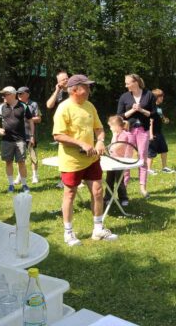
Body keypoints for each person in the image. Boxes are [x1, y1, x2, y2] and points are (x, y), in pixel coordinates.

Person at [53, 74, 118, 246]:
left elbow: (99, 129)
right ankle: (68, 233)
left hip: (92, 159)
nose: (89, 90)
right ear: (74, 90)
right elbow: (58, 135)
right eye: (86, 87)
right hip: (72, 160)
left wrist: (101, 141)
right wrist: (81, 143)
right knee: (70, 194)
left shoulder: (90, 106)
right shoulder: (63, 108)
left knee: (98, 191)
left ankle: (98, 229)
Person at [117, 73, 156, 198]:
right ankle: (124, 187)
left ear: (136, 82)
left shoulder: (149, 95)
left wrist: (141, 110)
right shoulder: (124, 97)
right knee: (127, 158)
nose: (126, 85)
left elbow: (154, 114)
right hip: (129, 131)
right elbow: (119, 116)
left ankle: (143, 187)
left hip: (143, 131)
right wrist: (133, 110)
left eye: (127, 83)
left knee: (142, 158)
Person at [0, 86, 35, 193]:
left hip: (20, 140)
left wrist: (32, 135)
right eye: (3, 95)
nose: (3, 97)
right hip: (6, 140)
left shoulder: (23, 106)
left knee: (21, 162)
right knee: (8, 162)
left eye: (5, 94)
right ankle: (11, 185)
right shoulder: (1, 107)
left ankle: (24, 184)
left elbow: (30, 120)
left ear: (12, 95)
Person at [47, 71, 69, 188]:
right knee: (63, 154)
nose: (66, 81)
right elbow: (49, 105)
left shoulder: (74, 91)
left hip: (74, 128)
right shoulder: (58, 93)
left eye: (67, 78)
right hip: (62, 128)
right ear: (58, 82)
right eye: (63, 80)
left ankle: (79, 179)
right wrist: (56, 90)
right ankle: (64, 179)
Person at [14, 87, 42, 184]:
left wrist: (27, 118)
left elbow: (39, 119)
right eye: (18, 93)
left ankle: (35, 176)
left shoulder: (33, 104)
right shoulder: (16, 104)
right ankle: (19, 176)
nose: (19, 95)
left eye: (21, 93)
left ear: (27, 94)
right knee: (19, 157)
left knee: (33, 155)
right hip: (19, 135)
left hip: (31, 134)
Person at [104, 115, 131, 207]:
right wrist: (114, 136)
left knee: (119, 181)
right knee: (109, 180)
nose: (110, 128)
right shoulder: (115, 135)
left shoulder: (124, 135)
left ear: (116, 126)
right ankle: (108, 198)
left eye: (111, 126)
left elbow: (114, 147)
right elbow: (111, 148)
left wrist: (114, 136)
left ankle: (123, 198)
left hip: (120, 162)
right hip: (112, 161)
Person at [147, 89, 174, 175]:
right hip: (153, 133)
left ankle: (164, 167)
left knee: (164, 149)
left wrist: (165, 119)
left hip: (159, 132)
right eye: (160, 96)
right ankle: (148, 169)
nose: (162, 98)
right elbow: (150, 121)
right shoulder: (151, 107)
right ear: (155, 98)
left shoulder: (159, 108)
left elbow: (161, 117)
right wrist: (150, 134)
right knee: (151, 151)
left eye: (162, 96)